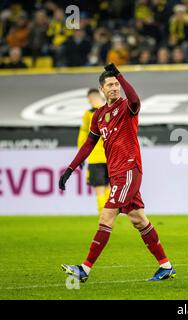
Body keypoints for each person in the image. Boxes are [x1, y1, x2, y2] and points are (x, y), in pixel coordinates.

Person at [59, 63, 175, 282]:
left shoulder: (127, 107)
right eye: (110, 84)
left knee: (106, 215)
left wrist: (120, 75)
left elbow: (136, 100)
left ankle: (84, 269)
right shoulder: (99, 116)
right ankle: (166, 266)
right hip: (117, 173)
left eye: (116, 84)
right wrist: (70, 168)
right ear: (102, 89)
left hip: (129, 169)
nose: (114, 88)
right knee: (139, 220)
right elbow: (88, 145)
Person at [77, 88, 110, 215]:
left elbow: (83, 134)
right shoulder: (109, 111)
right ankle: (107, 213)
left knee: (101, 188)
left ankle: (103, 212)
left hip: (100, 157)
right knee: (106, 187)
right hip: (106, 156)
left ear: (95, 98)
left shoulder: (90, 114)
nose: (90, 101)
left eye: (91, 99)